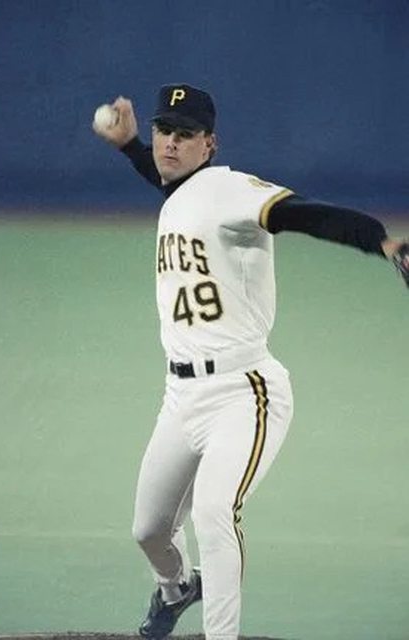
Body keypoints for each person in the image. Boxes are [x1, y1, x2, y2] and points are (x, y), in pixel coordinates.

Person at [93, 84, 408, 640]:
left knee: (214, 513)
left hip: (245, 393)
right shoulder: (181, 190)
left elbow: (302, 214)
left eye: (185, 134)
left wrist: (380, 242)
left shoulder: (230, 189)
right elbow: (169, 179)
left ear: (209, 144)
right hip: (180, 398)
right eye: (164, 131)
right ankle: (176, 589)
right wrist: (130, 147)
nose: (169, 143)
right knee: (149, 531)